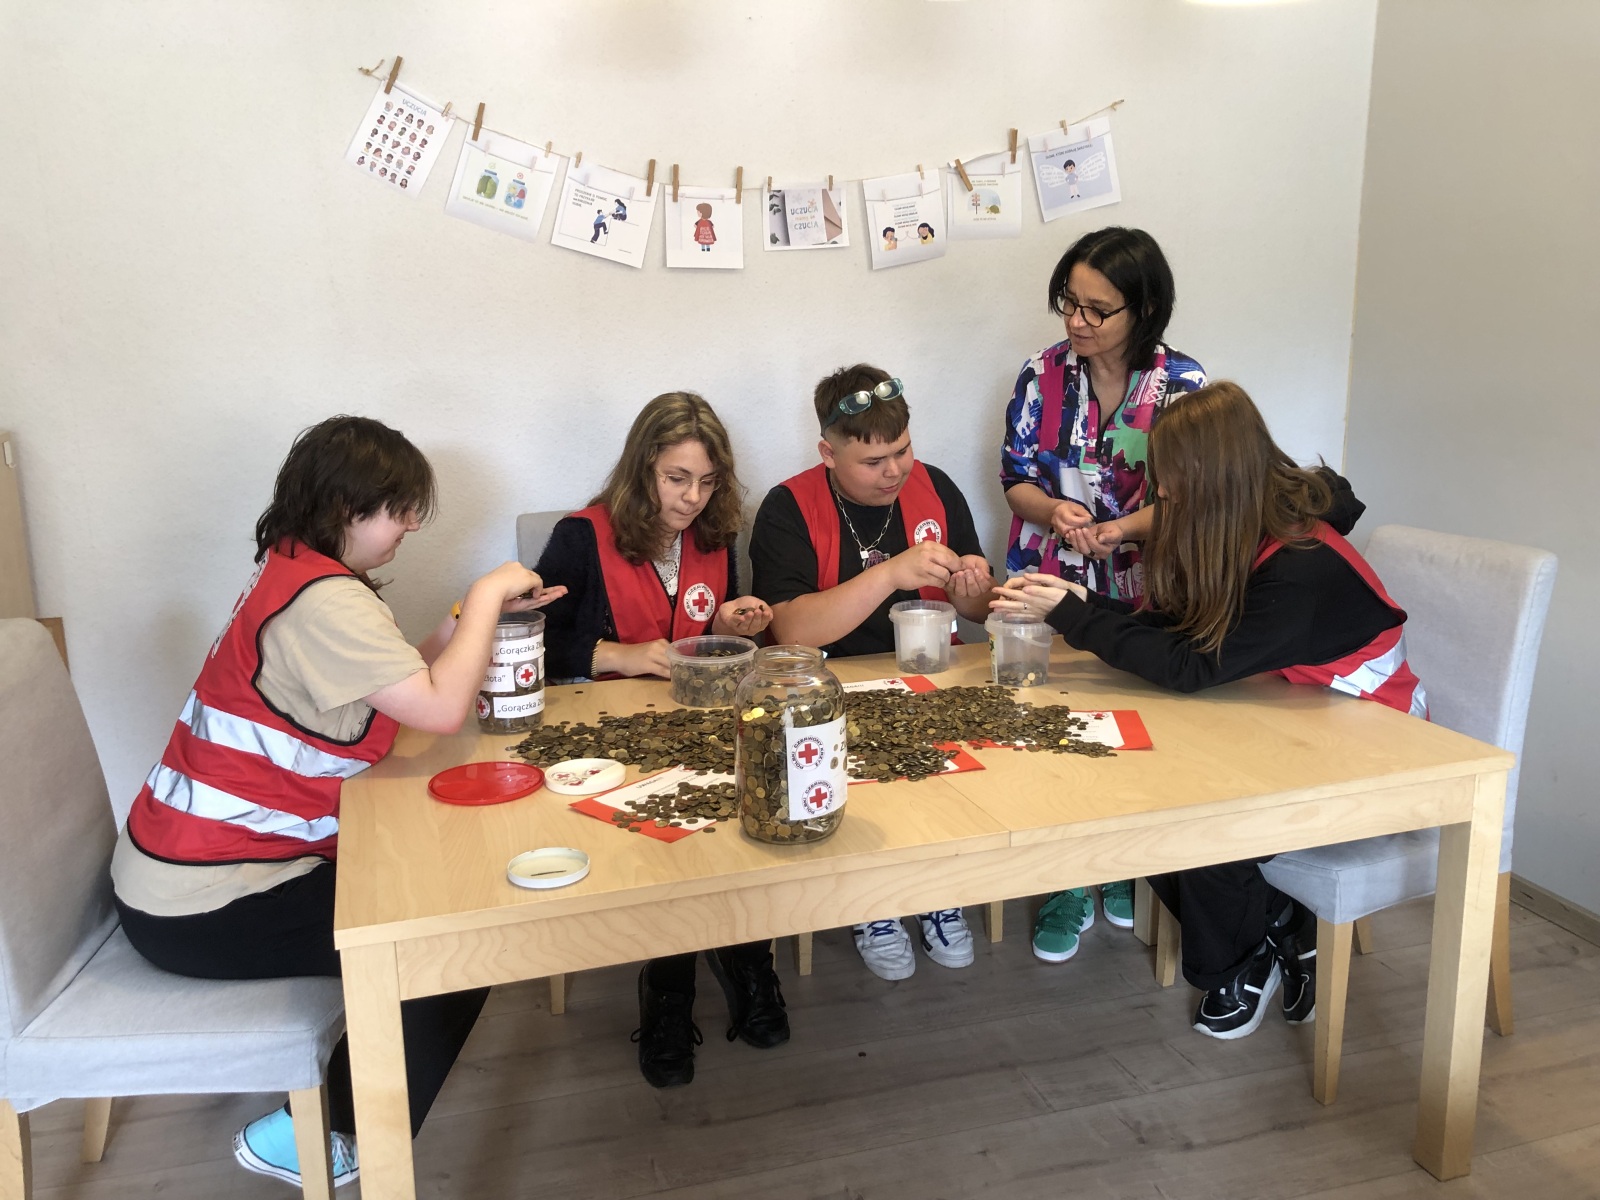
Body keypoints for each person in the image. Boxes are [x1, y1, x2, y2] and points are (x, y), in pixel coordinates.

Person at [110, 415, 563, 1188]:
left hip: (176, 870)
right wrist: (488, 593)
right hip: (204, 899)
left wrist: (465, 618)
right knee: (451, 945)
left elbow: (394, 679)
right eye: (399, 509)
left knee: (434, 901)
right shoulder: (326, 601)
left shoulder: (293, 568)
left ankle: (336, 1115)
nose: (410, 525)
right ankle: (319, 1134)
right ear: (343, 507)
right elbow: (439, 708)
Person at [992, 381, 1427, 1040]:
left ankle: (1242, 960)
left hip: (1376, 741)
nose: (1161, 492)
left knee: (1194, 814)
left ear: (1215, 476)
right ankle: (1281, 925)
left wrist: (1075, 616)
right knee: (1145, 787)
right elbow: (1185, 629)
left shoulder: (1301, 568)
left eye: (1171, 479)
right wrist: (1079, 602)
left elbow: (1190, 666)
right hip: (1297, 712)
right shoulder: (1250, 526)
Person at [532, 391, 783, 1089]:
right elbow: (531, 641)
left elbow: (704, 635)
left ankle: (746, 956)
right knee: (672, 839)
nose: (693, 498)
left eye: (707, 481)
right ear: (642, 468)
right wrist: (620, 653)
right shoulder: (582, 537)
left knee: (752, 811)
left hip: (702, 721)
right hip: (611, 733)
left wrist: (731, 622)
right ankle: (668, 985)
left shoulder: (715, 534)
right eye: (677, 479)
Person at [999, 225, 1208, 965]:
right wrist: (1054, 510)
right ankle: (1061, 881)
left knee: (1131, 728)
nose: (1077, 321)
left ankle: (1121, 864)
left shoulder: (1183, 387)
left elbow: (1195, 497)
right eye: (1069, 302)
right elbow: (1015, 479)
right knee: (1048, 726)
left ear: (1143, 310)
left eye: (1097, 309)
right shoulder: (1042, 374)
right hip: (1050, 575)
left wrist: (1121, 530)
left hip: (1149, 581)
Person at [751, 364, 996, 981]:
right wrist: (889, 573)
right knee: (854, 767)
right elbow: (791, 631)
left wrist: (973, 587)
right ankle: (874, 902)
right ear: (827, 454)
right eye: (873, 461)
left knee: (960, 765)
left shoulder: (936, 487)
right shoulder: (788, 506)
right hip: (829, 689)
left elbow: (975, 613)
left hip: (931, 678)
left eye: (902, 451)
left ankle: (936, 888)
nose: (894, 471)